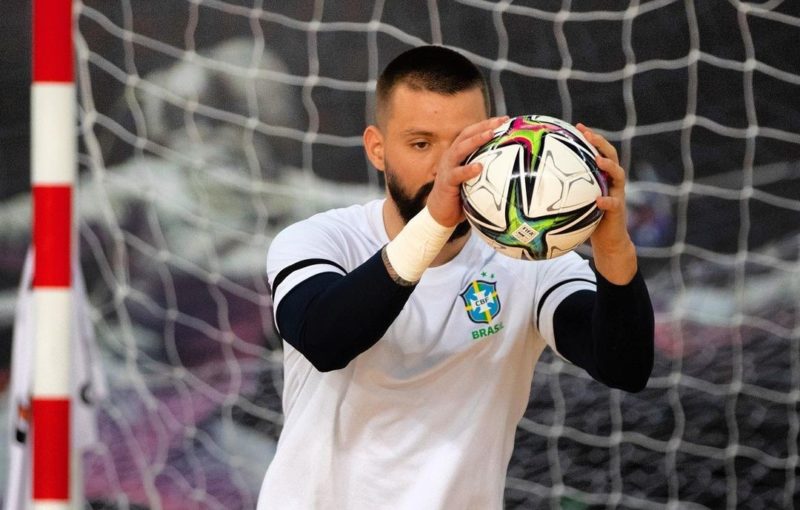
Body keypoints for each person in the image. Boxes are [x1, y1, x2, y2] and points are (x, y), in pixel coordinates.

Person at [259, 45, 654, 509]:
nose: (448, 167)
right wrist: (435, 222)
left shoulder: (529, 259)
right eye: (422, 144)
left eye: (463, 143)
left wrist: (612, 247)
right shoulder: (320, 240)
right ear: (377, 149)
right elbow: (326, 341)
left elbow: (624, 366)